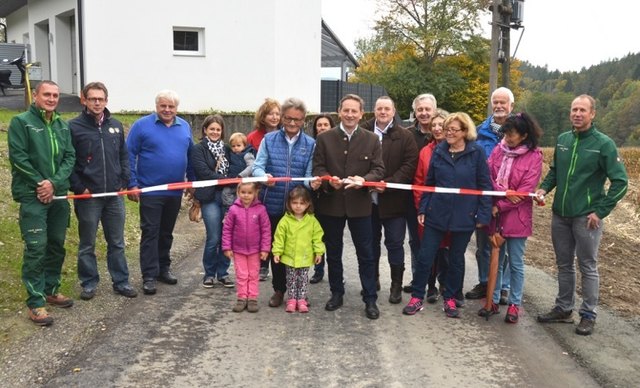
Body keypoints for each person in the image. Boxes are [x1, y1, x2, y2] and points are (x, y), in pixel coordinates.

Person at [536, 95, 628, 335]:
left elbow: (621, 182)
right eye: (574, 109)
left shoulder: (603, 144)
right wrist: (544, 188)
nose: (577, 114)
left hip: (587, 217)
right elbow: (555, 172)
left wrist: (601, 210)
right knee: (564, 264)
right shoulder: (563, 140)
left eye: (582, 110)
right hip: (560, 215)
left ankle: (588, 314)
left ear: (592, 114)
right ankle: (564, 308)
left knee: (587, 265)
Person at [403, 112, 492, 318]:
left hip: (464, 215)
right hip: (437, 213)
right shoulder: (439, 151)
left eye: (453, 130)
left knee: (455, 259)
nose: (448, 133)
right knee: (426, 256)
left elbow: (485, 186)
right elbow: (430, 183)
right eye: (447, 129)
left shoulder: (476, 153)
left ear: (464, 132)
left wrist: (483, 215)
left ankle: (450, 298)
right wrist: (423, 208)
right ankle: (417, 297)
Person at [8, 80, 76, 326]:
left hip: (57, 195)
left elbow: (70, 157)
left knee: (57, 244)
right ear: (35, 96)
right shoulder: (21, 122)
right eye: (46, 94)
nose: (51, 99)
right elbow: (18, 157)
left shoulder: (61, 124)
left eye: (55, 95)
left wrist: (54, 184)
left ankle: (51, 289)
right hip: (32, 195)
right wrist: (41, 183)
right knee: (37, 247)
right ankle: (35, 302)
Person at [313, 94, 385, 320]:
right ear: (339, 111)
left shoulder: (372, 139)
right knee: (333, 252)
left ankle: (370, 298)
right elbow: (318, 167)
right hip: (331, 204)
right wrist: (327, 180)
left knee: (366, 253)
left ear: (361, 114)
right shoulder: (324, 138)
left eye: (355, 111)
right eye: (346, 110)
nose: (350, 115)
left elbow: (379, 169)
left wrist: (365, 180)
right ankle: (337, 292)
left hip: (360, 205)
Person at [69, 81, 137, 300]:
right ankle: (89, 283)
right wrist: (80, 187)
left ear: (106, 100)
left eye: (101, 99)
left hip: (114, 196)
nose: (97, 103)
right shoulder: (73, 127)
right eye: (92, 99)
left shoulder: (115, 125)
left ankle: (121, 281)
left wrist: (124, 178)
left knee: (116, 242)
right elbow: (68, 161)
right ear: (84, 100)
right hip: (89, 196)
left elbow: (123, 156)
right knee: (87, 243)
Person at [252, 97, 320, 308]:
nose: (292, 123)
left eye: (297, 120)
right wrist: (264, 177)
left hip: (298, 208)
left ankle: (298, 292)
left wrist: (314, 183)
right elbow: (257, 167)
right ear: (282, 117)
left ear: (304, 120)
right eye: (288, 118)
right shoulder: (269, 140)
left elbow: (308, 175)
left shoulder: (310, 144)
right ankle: (279, 289)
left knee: (299, 250)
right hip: (271, 204)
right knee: (277, 251)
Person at [127, 90, 194, 295]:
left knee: (166, 233)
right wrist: (132, 183)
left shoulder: (184, 126)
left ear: (176, 108)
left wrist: (191, 181)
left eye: (171, 106)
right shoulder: (142, 126)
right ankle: (148, 274)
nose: (167, 110)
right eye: (163, 106)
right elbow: (128, 154)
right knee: (150, 232)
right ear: (156, 107)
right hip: (150, 190)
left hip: (174, 191)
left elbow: (190, 155)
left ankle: (163, 268)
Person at [479, 112, 543, 323]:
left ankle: (515, 304)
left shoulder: (534, 157)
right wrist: (500, 197)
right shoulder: (498, 150)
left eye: (512, 134)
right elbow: (487, 177)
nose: (507, 138)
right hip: (496, 214)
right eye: (506, 133)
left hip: (517, 218)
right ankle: (493, 300)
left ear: (524, 135)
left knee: (515, 263)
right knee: (495, 259)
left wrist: (501, 205)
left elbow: (524, 192)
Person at [361, 96, 418, 304]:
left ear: (394, 112)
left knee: (395, 244)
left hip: (394, 201)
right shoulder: (364, 131)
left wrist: (388, 183)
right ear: (373, 111)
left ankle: (395, 285)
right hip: (367, 200)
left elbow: (409, 165)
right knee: (370, 243)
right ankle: (372, 280)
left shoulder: (405, 135)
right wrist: (368, 181)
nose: (383, 112)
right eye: (379, 109)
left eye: (387, 109)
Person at [465, 87, 515, 303]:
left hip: (511, 200)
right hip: (485, 198)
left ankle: (503, 286)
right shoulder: (478, 132)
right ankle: (486, 281)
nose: (499, 106)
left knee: (506, 245)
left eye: (503, 102)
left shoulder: (521, 131)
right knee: (484, 244)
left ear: (511, 106)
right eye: (496, 102)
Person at [412, 109, 453, 304]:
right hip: (429, 209)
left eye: (441, 125)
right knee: (428, 250)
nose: (437, 128)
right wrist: (422, 206)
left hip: (450, 210)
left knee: (447, 250)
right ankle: (429, 287)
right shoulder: (425, 152)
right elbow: (419, 181)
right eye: (434, 125)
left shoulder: (461, 150)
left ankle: (446, 284)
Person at [189, 114, 234, 289]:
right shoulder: (198, 149)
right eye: (212, 129)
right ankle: (209, 273)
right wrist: (225, 179)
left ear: (222, 131)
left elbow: (235, 167)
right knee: (214, 237)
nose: (215, 132)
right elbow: (203, 172)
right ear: (205, 130)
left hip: (227, 197)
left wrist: (230, 180)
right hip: (209, 197)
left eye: (218, 129)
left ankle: (223, 273)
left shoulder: (228, 149)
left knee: (226, 236)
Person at [403, 93, 437, 293]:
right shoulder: (406, 134)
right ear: (415, 112)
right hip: (412, 198)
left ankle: (433, 283)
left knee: (437, 243)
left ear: (434, 110)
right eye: (420, 110)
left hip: (438, 199)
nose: (424, 113)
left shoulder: (443, 133)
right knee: (416, 240)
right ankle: (419, 280)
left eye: (427, 109)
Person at [272, 186, 325, 313]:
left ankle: (301, 299)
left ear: (308, 204)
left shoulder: (312, 221)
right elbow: (279, 237)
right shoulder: (285, 220)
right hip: (289, 257)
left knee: (303, 279)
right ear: (289, 204)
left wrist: (318, 252)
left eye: (302, 203)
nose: (298, 206)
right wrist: (277, 252)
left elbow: (317, 237)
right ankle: (291, 299)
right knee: (291, 279)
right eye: (295, 202)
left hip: (305, 257)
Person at [222, 182, 271, 313]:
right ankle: (242, 298)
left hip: (255, 250)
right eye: (243, 192)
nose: (246, 195)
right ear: (238, 193)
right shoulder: (233, 210)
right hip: (238, 250)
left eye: (249, 193)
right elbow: (227, 229)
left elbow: (266, 230)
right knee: (242, 274)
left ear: (255, 193)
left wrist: (265, 249)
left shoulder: (261, 209)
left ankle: (252, 298)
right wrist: (227, 247)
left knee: (253, 274)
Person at [247, 98, 281, 281]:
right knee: (260, 228)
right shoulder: (253, 137)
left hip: (279, 188)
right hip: (259, 189)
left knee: (276, 229)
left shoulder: (285, 134)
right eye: (271, 113)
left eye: (277, 113)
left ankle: (276, 262)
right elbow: (247, 163)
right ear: (263, 116)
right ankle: (262, 264)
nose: (275, 117)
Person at [309, 114, 335, 284]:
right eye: (319, 125)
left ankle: (335, 272)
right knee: (315, 236)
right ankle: (318, 270)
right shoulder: (311, 145)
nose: (322, 127)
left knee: (332, 239)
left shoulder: (336, 146)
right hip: (312, 196)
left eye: (326, 124)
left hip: (331, 197)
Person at [221, 132, 256, 213]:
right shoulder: (231, 154)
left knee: (242, 197)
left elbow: (251, 166)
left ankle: (241, 211)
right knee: (225, 192)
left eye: (238, 145)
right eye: (233, 146)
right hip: (233, 181)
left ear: (244, 145)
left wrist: (241, 175)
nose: (236, 148)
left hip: (244, 182)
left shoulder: (247, 154)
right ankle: (229, 210)